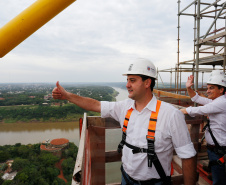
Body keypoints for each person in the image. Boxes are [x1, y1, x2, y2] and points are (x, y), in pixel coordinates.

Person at [52, 58, 197, 185]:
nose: (127, 85)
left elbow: (188, 156)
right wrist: (67, 96)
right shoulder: (124, 107)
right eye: (127, 80)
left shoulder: (171, 115)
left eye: (132, 80)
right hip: (126, 178)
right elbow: (96, 105)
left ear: (147, 83)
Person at [180, 70, 226, 185]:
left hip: (220, 151)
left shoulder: (221, 102)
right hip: (215, 150)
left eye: (211, 88)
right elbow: (197, 99)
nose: (207, 91)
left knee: (219, 181)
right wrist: (189, 88)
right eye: (208, 87)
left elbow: (200, 109)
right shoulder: (217, 101)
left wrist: (180, 111)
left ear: (221, 90)